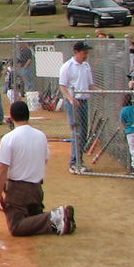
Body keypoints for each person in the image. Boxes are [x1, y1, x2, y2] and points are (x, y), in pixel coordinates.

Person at [0, 100, 76, 236]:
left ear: (12, 117)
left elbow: (2, 169)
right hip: (36, 190)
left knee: (16, 227)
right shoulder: (41, 135)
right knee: (31, 219)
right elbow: (44, 160)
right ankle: (56, 220)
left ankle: (56, 215)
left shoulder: (9, 138)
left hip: (18, 191)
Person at [58, 41, 93, 174]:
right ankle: (74, 162)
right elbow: (63, 86)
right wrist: (71, 98)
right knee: (77, 131)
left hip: (84, 101)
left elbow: (90, 85)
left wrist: (100, 91)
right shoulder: (67, 66)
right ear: (76, 52)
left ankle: (79, 160)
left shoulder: (86, 66)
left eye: (87, 52)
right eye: (84, 52)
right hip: (74, 102)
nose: (86, 55)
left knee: (84, 132)